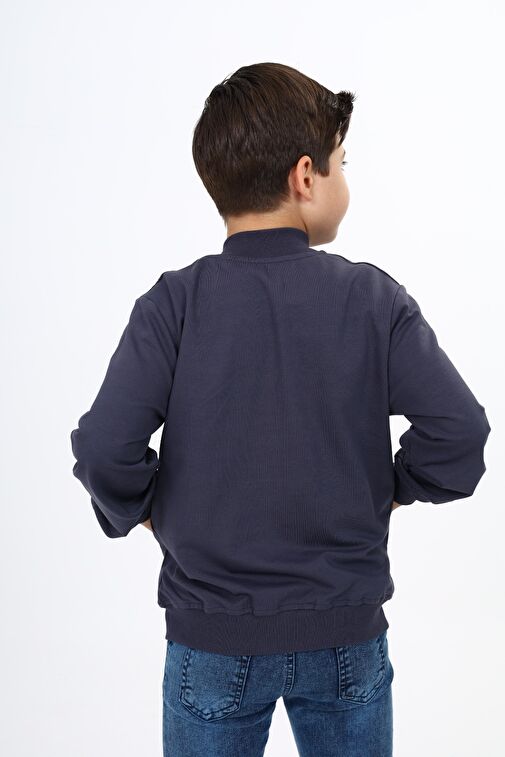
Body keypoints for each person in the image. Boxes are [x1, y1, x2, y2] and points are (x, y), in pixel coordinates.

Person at [70, 62, 491, 756]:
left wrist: (145, 508)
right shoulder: (372, 299)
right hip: (345, 637)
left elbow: (104, 447)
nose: (343, 179)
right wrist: (395, 487)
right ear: (304, 177)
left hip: (212, 637)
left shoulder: (174, 304)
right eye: (340, 163)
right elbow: (459, 433)